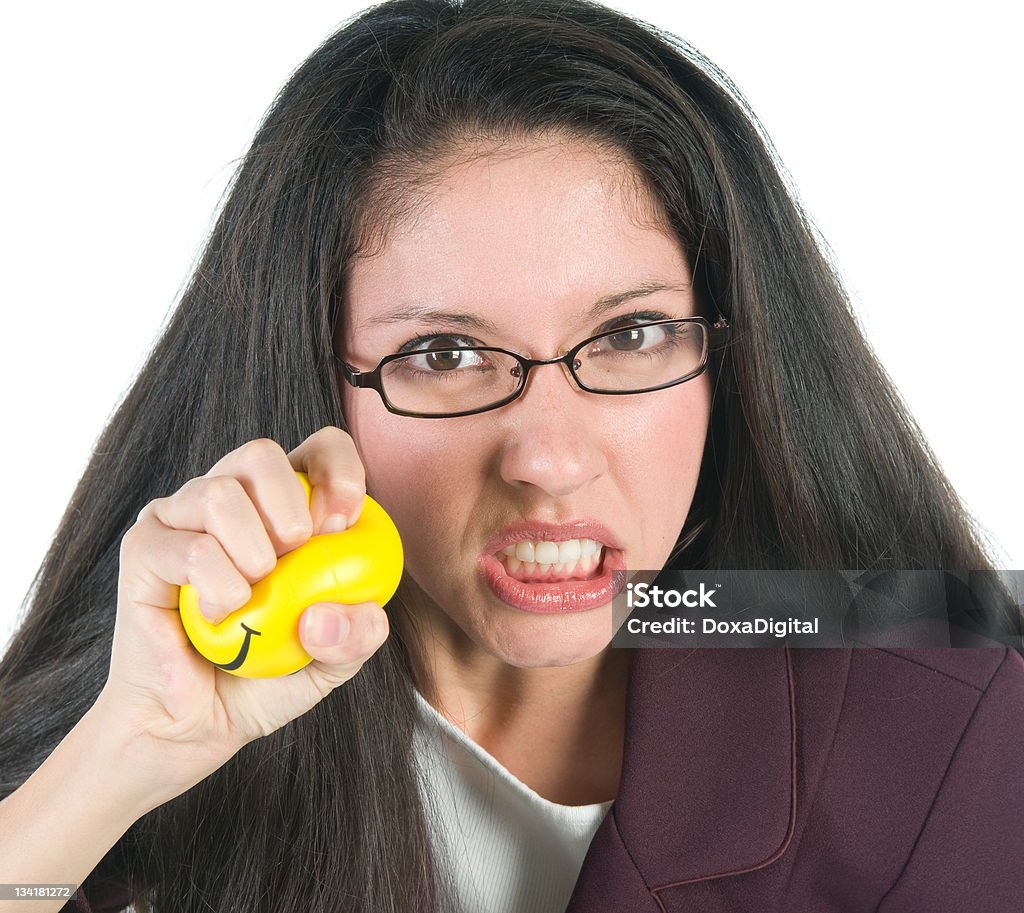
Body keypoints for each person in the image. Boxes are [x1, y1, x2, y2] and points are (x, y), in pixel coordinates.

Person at [1, 0, 1021, 911]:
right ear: (312, 380)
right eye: (443, 354)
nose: (547, 458)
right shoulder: (138, 718)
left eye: (628, 337)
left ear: (735, 358)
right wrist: (124, 756)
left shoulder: (949, 711)